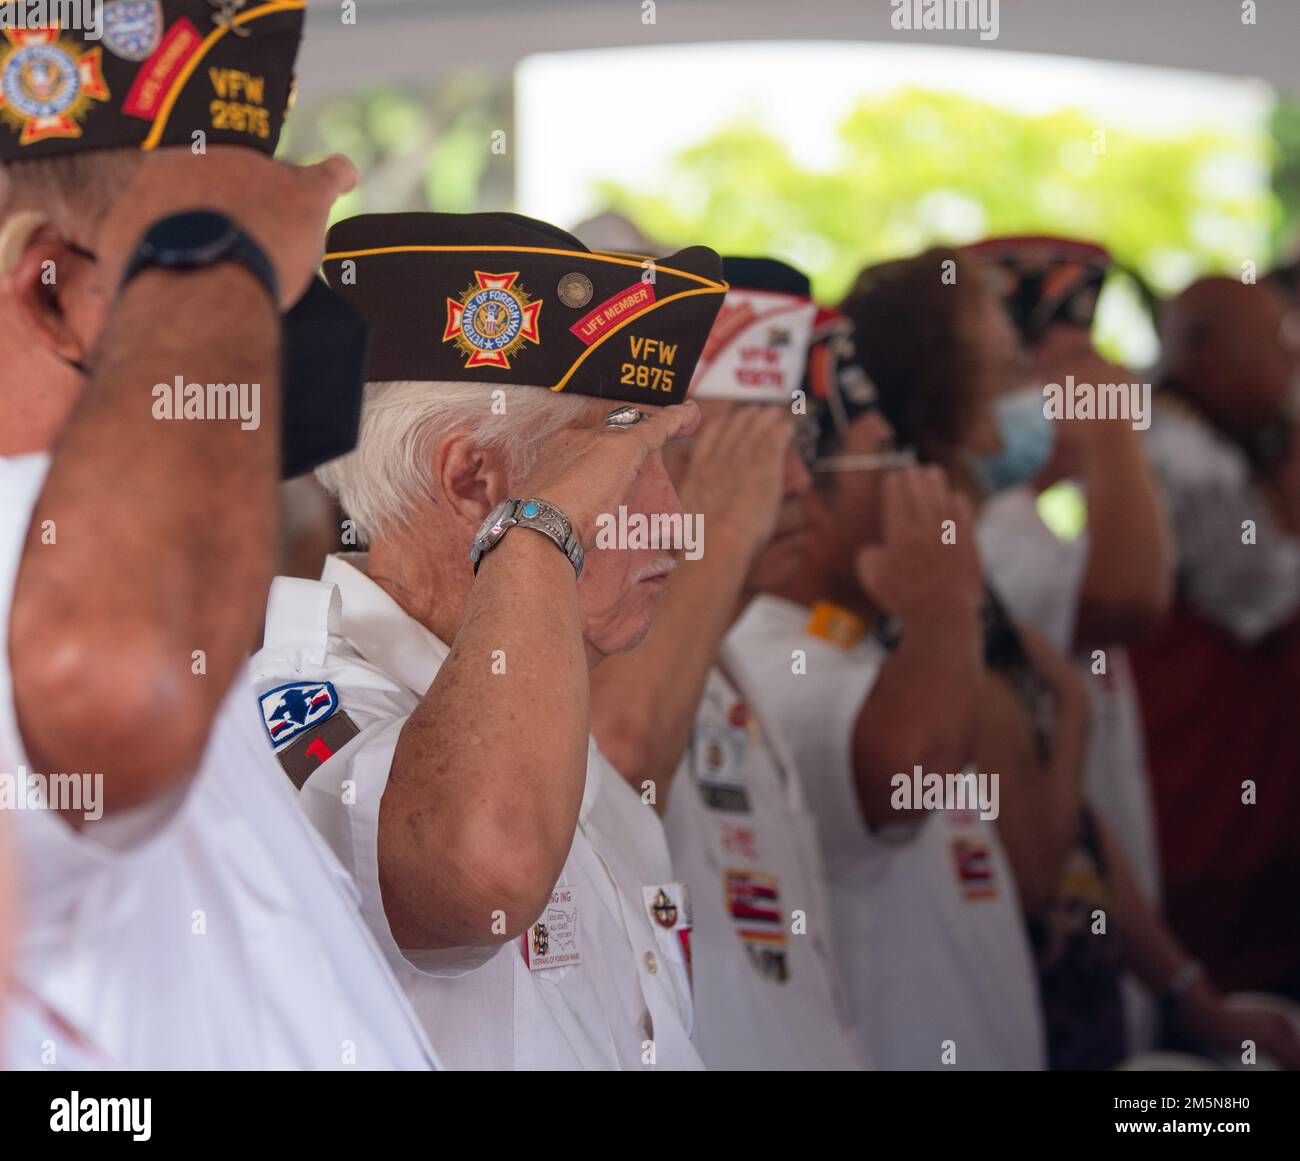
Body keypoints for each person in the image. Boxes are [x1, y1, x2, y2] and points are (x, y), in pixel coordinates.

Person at [0, 0, 447, 1070]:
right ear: (54, 296)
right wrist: (215, 243)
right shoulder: (48, 571)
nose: (268, 335)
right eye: (248, 294)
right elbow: (118, 682)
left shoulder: (161, 606)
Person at [252, 211, 726, 1069]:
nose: (675, 520)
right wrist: (538, 535)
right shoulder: (294, 709)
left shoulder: (585, 774)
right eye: (624, 461)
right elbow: (485, 867)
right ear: (474, 482)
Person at [840, 250, 1300, 1069]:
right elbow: (1043, 853)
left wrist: (1191, 993)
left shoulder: (976, 565)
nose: (1042, 392)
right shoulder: (941, 570)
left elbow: (1081, 829)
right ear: (958, 408)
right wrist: (1111, 429)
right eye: (1016, 369)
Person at [718, 269, 1045, 1070]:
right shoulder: (774, 650)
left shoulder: (855, 648)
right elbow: (911, 767)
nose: (910, 479)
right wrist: (944, 605)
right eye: (882, 459)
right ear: (809, 496)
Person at [590, 257, 869, 1069]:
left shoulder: (727, 662)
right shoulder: (611, 650)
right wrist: (714, 524)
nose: (788, 483)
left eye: (795, 441)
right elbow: (618, 754)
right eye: (743, 448)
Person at [964, 235, 1174, 1047]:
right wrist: (1114, 436)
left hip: (1105, 920)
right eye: (1046, 378)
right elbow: (1129, 598)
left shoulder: (1027, 522)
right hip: (1037, 956)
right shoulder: (982, 531)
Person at [1130, 275, 1300, 1002]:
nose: (1290, 366)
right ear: (1212, 356)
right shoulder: (1180, 453)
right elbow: (1268, 591)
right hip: (1195, 813)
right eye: (1277, 345)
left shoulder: (1210, 440)